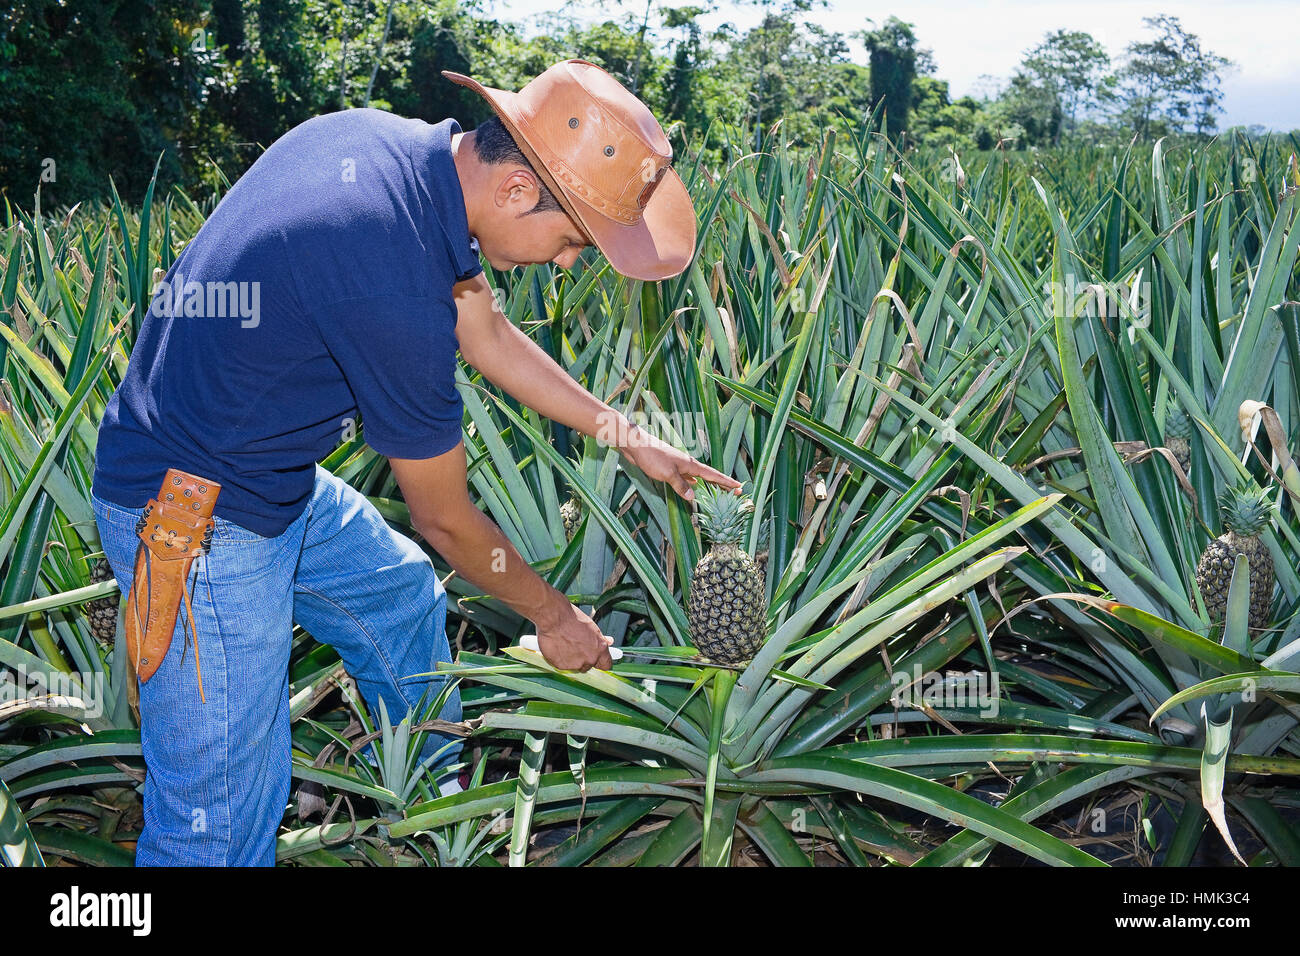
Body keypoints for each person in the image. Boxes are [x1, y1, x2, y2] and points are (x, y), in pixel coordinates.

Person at [90, 59, 741, 866]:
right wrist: (553, 616)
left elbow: (490, 335)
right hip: (195, 520)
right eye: (571, 239)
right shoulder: (387, 272)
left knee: (398, 600)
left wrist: (629, 435)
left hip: (268, 473)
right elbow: (446, 519)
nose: (569, 262)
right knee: (219, 817)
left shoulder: (395, 154)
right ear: (514, 193)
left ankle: (439, 822)